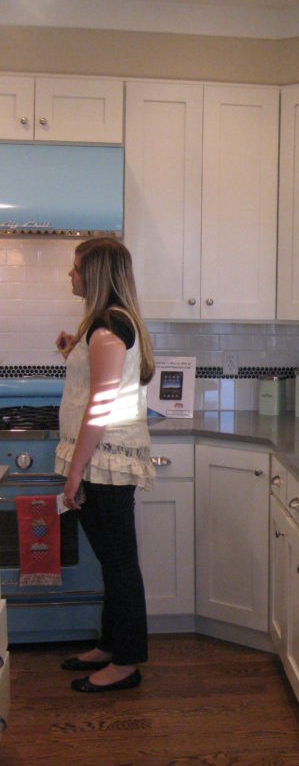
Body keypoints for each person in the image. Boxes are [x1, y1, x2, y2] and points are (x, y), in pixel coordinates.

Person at [55, 237, 155, 693]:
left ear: (94, 275)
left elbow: (100, 406)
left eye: (76, 269)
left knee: (119, 565)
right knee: (112, 562)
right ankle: (109, 646)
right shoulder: (103, 324)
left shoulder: (110, 327)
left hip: (104, 464)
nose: (71, 275)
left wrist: (75, 471)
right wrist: (70, 351)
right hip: (102, 461)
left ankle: (126, 661)